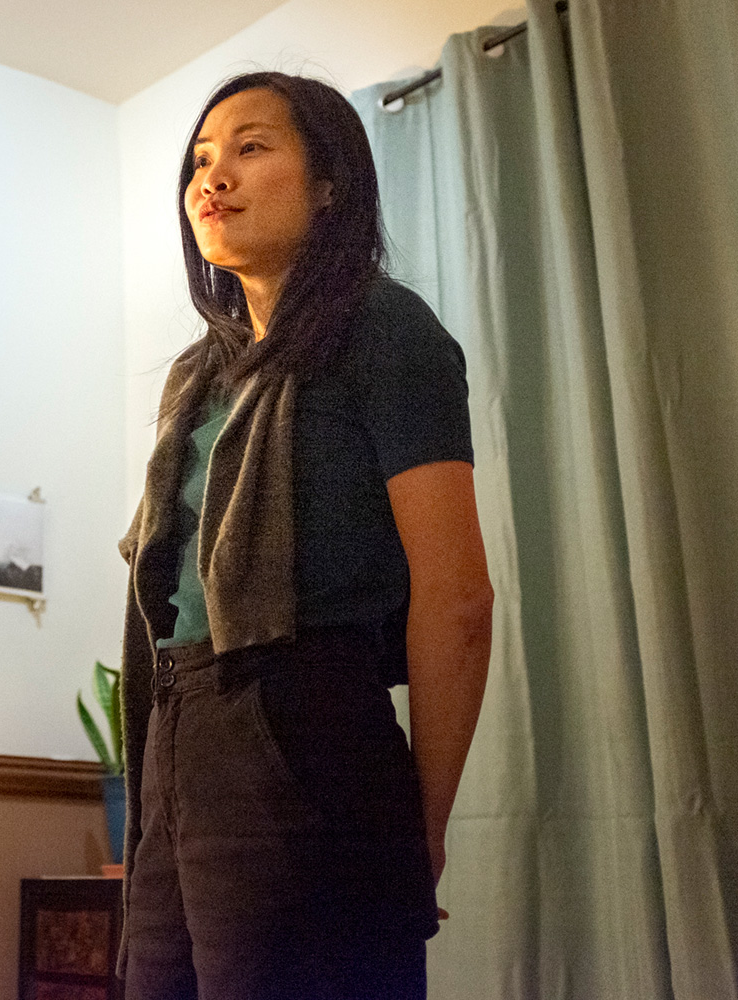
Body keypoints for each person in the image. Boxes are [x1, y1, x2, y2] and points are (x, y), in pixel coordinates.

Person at [117, 71, 494, 1000]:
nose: (213, 179)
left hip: (304, 723)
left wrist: (424, 827)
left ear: (329, 185)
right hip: (177, 726)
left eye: (251, 148)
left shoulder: (384, 331)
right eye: (200, 161)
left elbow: (458, 602)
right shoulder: (197, 378)